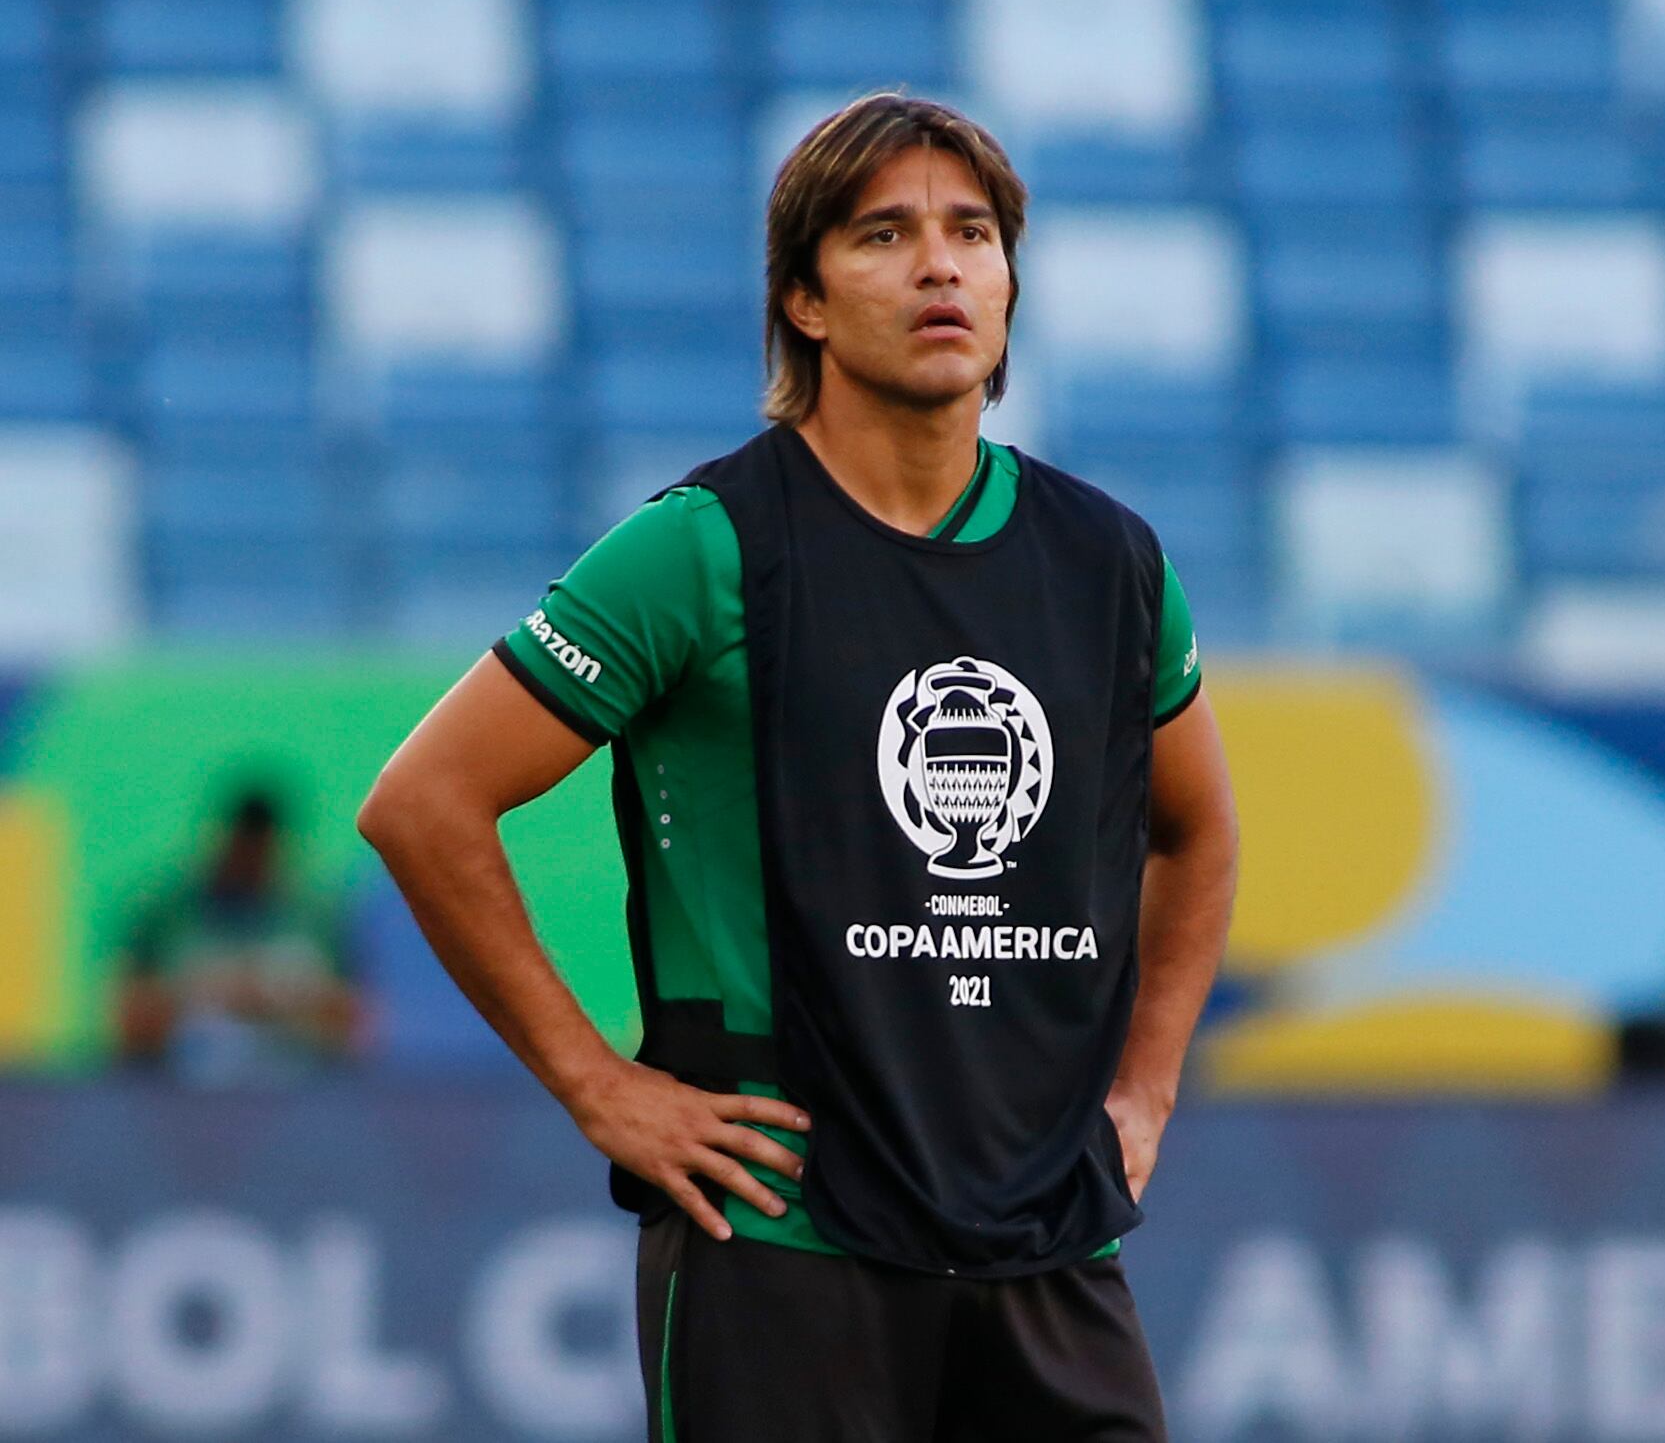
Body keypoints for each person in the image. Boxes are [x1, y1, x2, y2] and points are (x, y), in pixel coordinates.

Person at [357, 93, 1242, 1441]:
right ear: (806, 303)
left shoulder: (1110, 564)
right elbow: (422, 803)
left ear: (1008, 285)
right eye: (883, 234)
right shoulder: (703, 547)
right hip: (782, 1243)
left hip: (1047, 1240)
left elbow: (1198, 832)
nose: (938, 265)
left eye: (971, 233)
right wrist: (603, 1088)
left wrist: (1147, 1081)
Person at [117, 786, 364, 1085]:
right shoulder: (165, 915)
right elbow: (129, 1020)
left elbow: (350, 1021)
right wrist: (211, 992)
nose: (250, 860)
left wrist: (281, 997)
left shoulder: (314, 919)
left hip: (294, 1097)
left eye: (260, 849)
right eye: (243, 846)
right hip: (183, 1098)